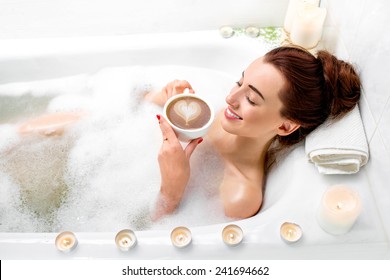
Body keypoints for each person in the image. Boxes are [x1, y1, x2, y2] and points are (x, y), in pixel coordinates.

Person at [147, 46, 361, 221]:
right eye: (239, 83)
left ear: (285, 127)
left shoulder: (240, 197)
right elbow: (135, 99)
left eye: (251, 99)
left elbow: (158, 238)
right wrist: (165, 100)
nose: (230, 98)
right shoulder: (220, 116)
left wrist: (170, 192)